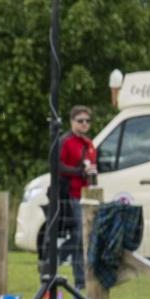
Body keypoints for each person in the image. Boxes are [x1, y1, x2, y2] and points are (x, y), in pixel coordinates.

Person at [45, 104, 99, 281]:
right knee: (78, 234)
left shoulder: (90, 144)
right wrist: (79, 172)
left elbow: (92, 168)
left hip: (88, 193)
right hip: (71, 193)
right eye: (80, 121)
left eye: (87, 121)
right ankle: (56, 258)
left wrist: (93, 181)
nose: (84, 124)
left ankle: (80, 280)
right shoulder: (65, 141)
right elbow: (57, 166)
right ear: (72, 122)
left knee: (85, 236)